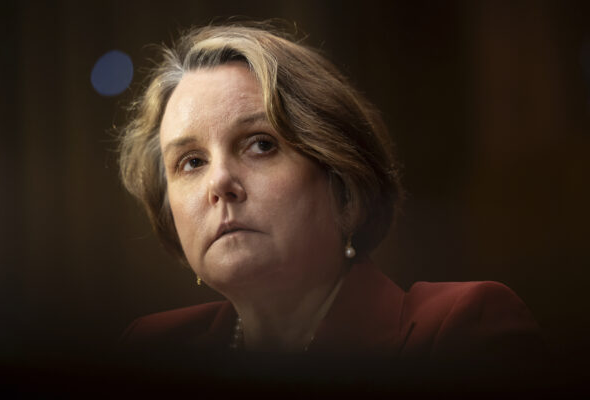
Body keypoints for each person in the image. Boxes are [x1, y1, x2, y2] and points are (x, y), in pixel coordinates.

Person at [118, 22, 546, 382]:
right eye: (192, 162)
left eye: (261, 144)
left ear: (342, 182)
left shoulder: (461, 329)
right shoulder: (152, 349)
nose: (220, 182)